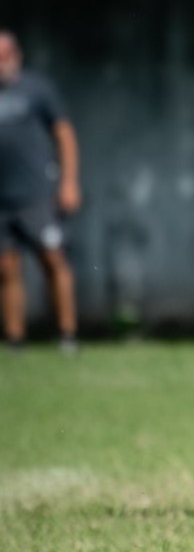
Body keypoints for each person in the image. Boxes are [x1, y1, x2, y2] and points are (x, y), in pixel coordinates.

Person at [0, 30, 81, 353]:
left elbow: (64, 135)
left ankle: (67, 335)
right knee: (6, 268)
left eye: (4, 55)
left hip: (36, 195)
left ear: (16, 55)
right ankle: (15, 339)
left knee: (53, 259)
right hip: (1, 200)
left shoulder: (37, 89)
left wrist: (69, 182)